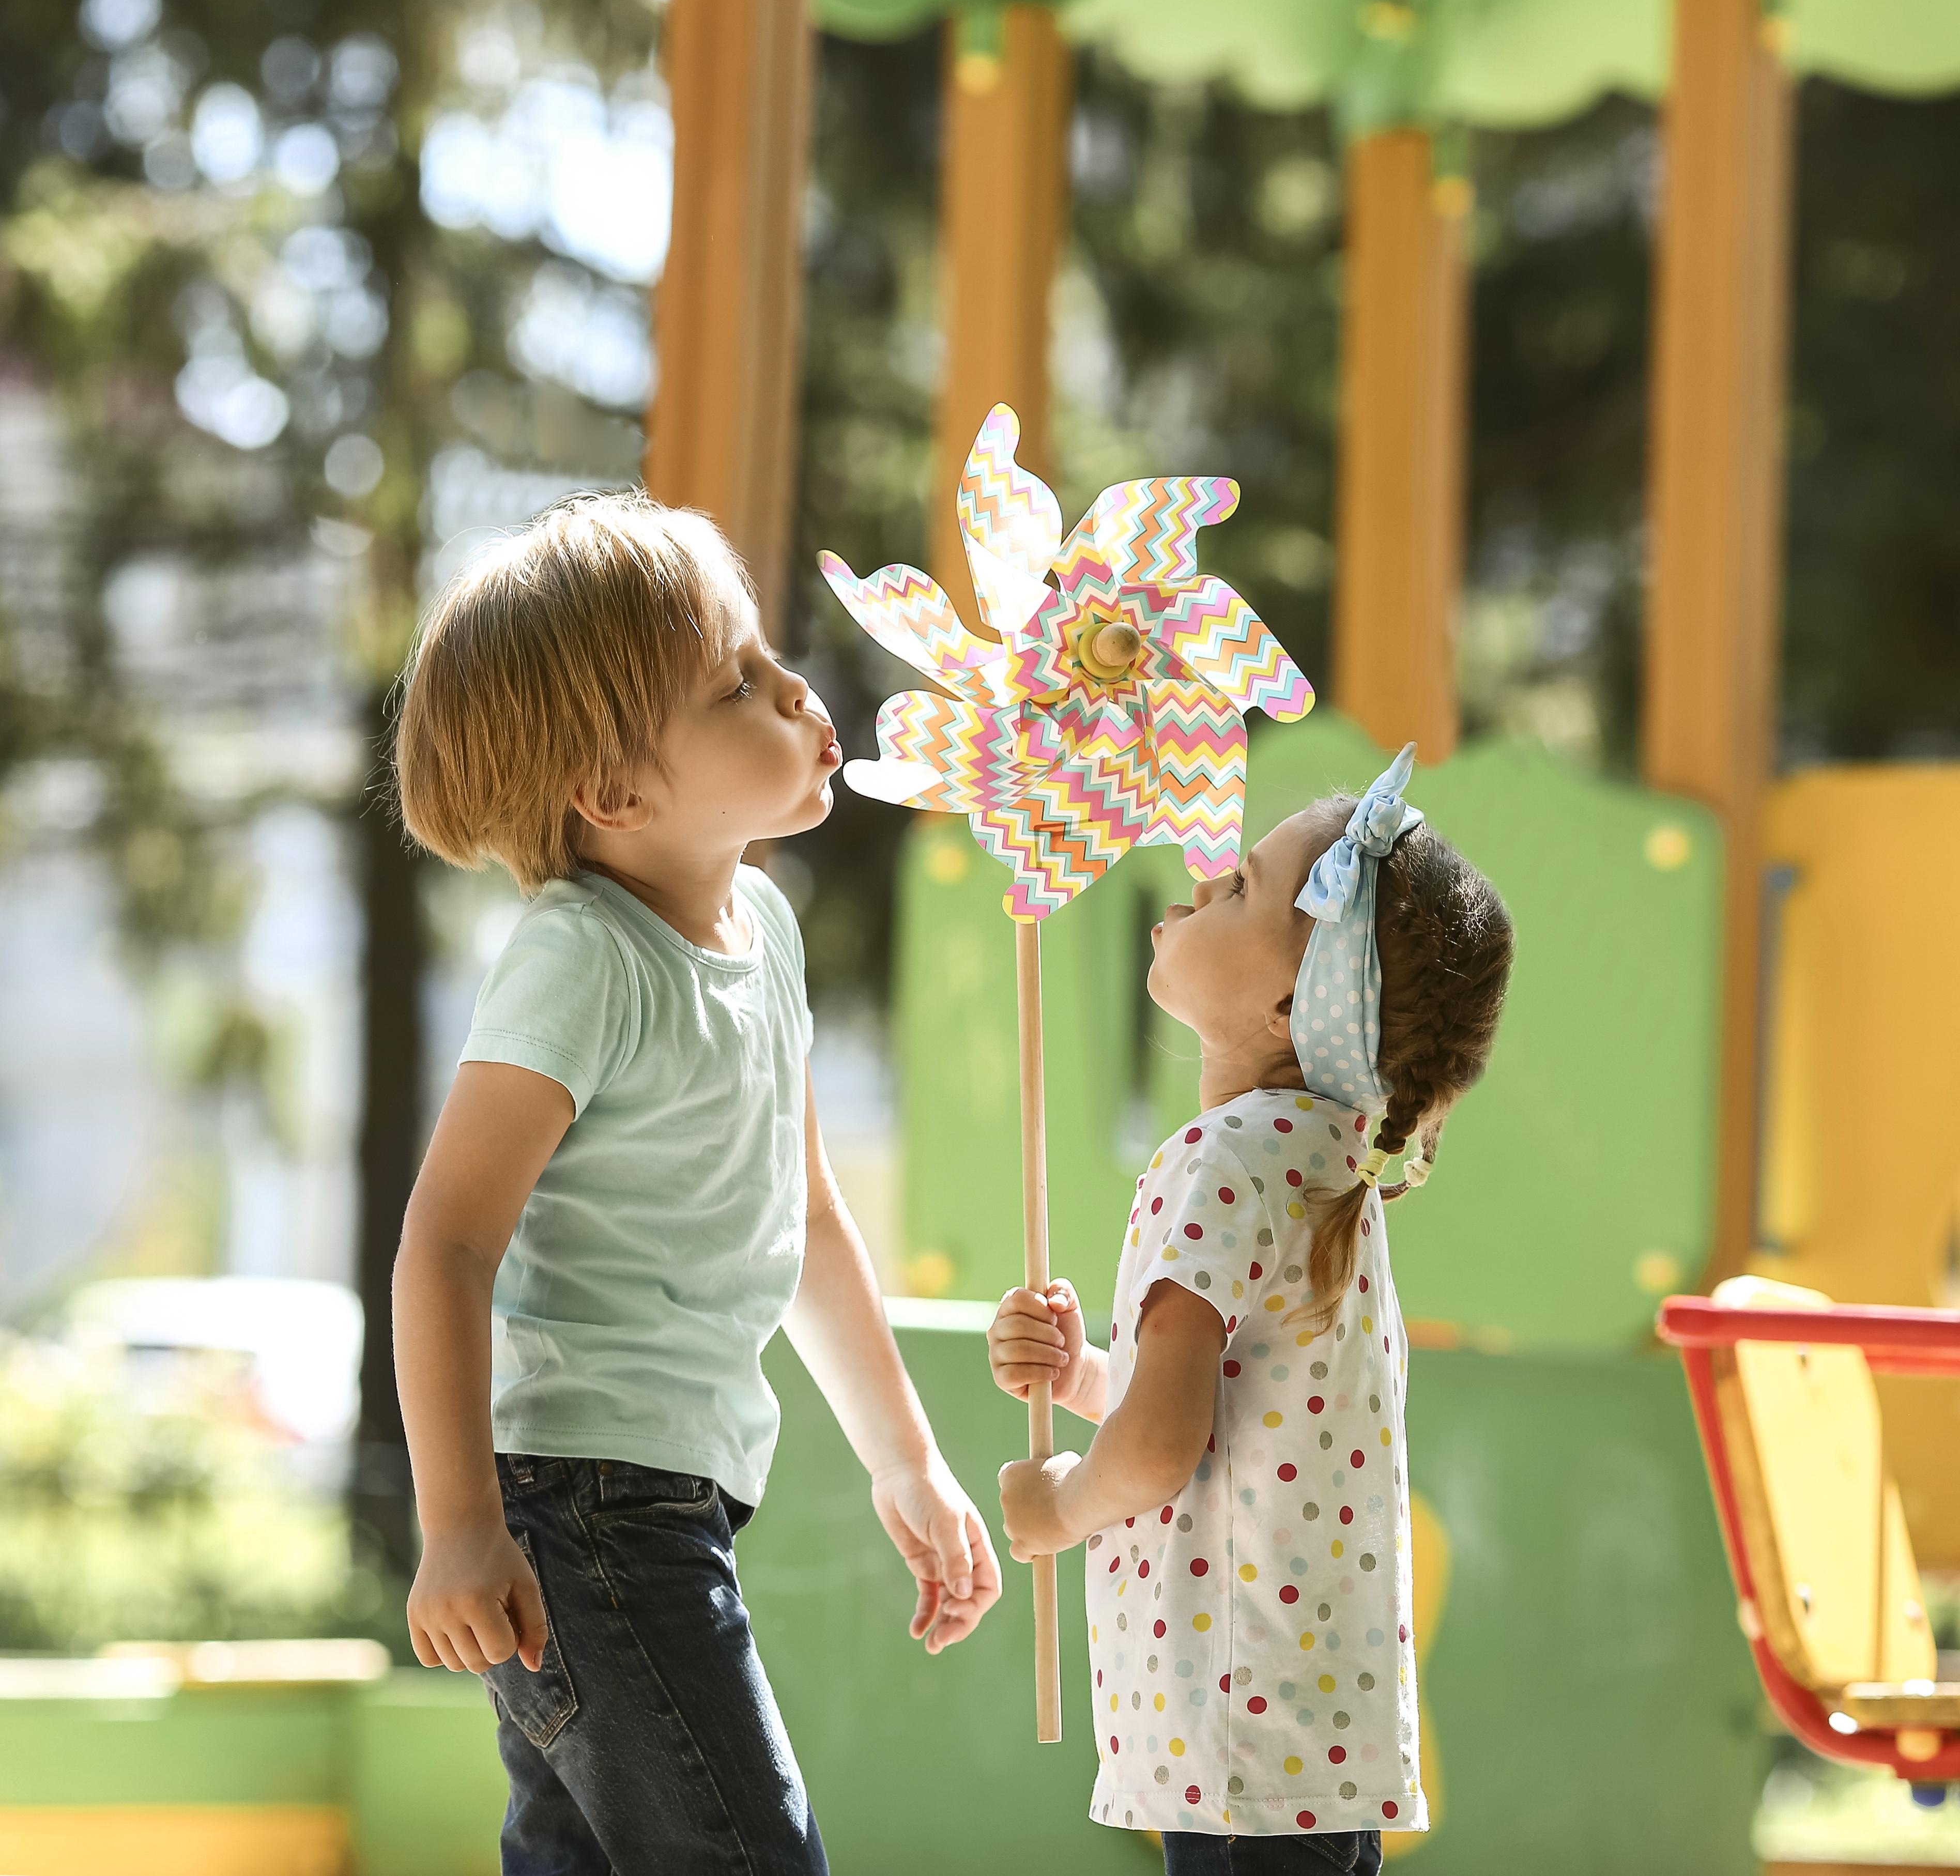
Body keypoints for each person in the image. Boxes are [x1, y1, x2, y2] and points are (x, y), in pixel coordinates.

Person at [390, 491, 1001, 1875]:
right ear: (615, 795)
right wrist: (460, 1528)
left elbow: (809, 1216)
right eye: (737, 683)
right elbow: (447, 1242)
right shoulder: (584, 957)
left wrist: (906, 1460)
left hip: (666, 1499)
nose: (795, 689)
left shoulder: (763, 925)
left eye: (766, 659)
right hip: (580, 1507)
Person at [987, 745, 1512, 1874]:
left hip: (1233, 1731)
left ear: (1290, 1004)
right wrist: (1089, 1374)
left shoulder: (1219, 1161)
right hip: (1309, 1732)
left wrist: (1059, 1505)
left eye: (1240, 887)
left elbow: (1164, 1446)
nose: (1204, 870)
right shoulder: (1326, 1169)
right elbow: (1235, 1414)